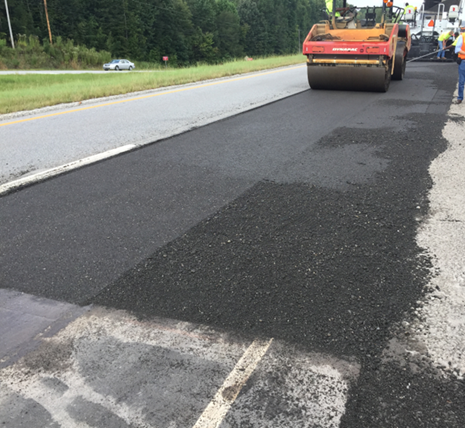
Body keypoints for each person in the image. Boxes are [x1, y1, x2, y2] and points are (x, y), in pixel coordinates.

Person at [454, 22, 465, 104]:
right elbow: (457, 49)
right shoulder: (462, 37)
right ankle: (460, 98)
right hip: (463, 62)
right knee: (461, 81)